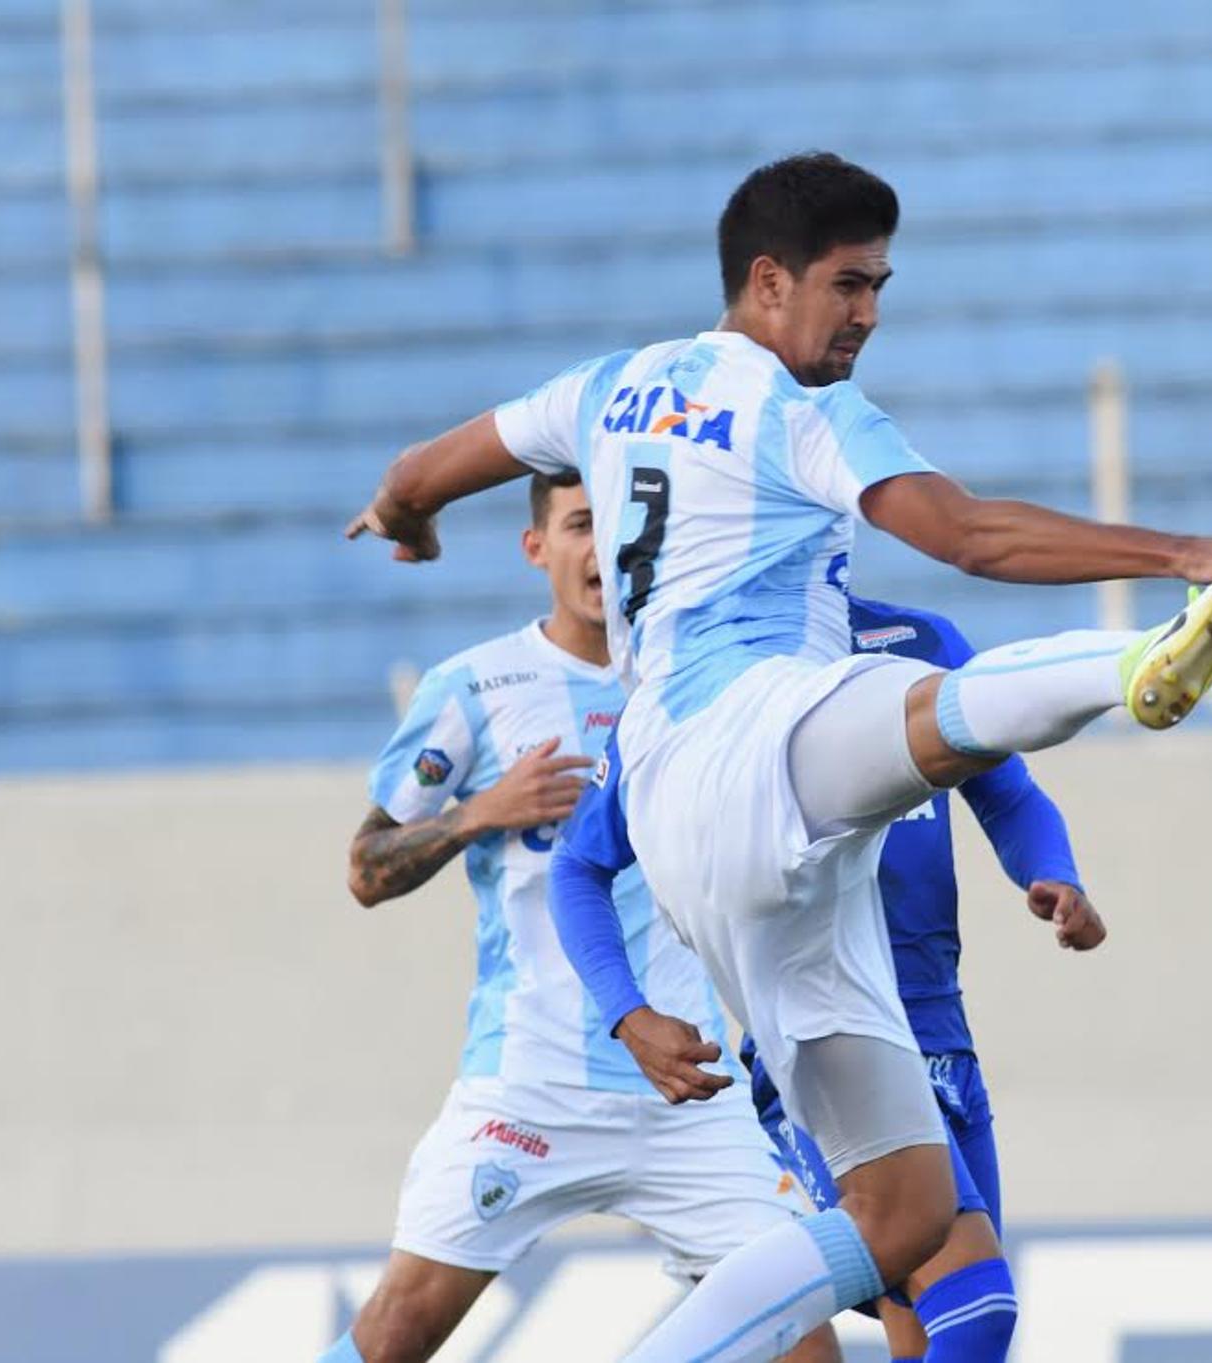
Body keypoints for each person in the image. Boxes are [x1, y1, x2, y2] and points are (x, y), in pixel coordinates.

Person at [346, 151, 1212, 1362]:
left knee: (904, 1211)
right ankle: (1133, 665)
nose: (868, 315)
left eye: (881, 288)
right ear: (769, 282)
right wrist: (1181, 546)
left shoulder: (604, 390)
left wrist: (407, 519)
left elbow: (413, 473)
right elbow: (965, 536)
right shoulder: (794, 411)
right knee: (934, 708)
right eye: (851, 286)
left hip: (700, 842)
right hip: (749, 738)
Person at [323, 472, 836, 1363]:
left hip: (690, 1089)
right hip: (531, 1085)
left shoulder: (699, 682)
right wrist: (478, 812)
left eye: (617, 528)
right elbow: (366, 868)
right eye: (578, 526)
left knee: (802, 1344)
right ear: (537, 547)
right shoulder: (478, 686)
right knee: (393, 1338)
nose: (600, 549)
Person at [553, 592, 1100, 1362]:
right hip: (825, 1034)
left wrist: (1054, 872)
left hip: (942, 1029)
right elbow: (578, 862)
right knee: (979, 1304)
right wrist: (627, 1011)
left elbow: (1008, 792)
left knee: (931, 1332)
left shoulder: (918, 638)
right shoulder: (698, 690)